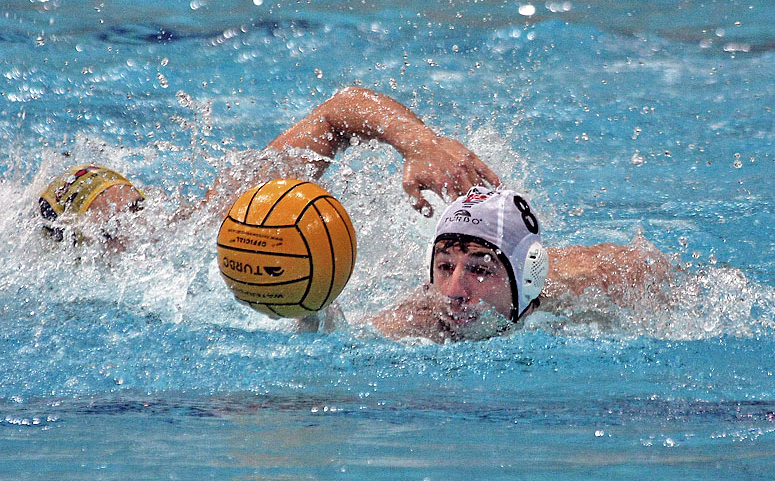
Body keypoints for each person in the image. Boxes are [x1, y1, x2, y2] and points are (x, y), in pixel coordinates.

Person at [38, 86, 672, 340]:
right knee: (153, 236)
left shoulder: (589, 280)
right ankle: (71, 189)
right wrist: (418, 143)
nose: (454, 290)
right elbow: (341, 108)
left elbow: (670, 282)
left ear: (527, 272)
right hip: (263, 225)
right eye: (445, 265)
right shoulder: (428, 316)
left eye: (479, 268)